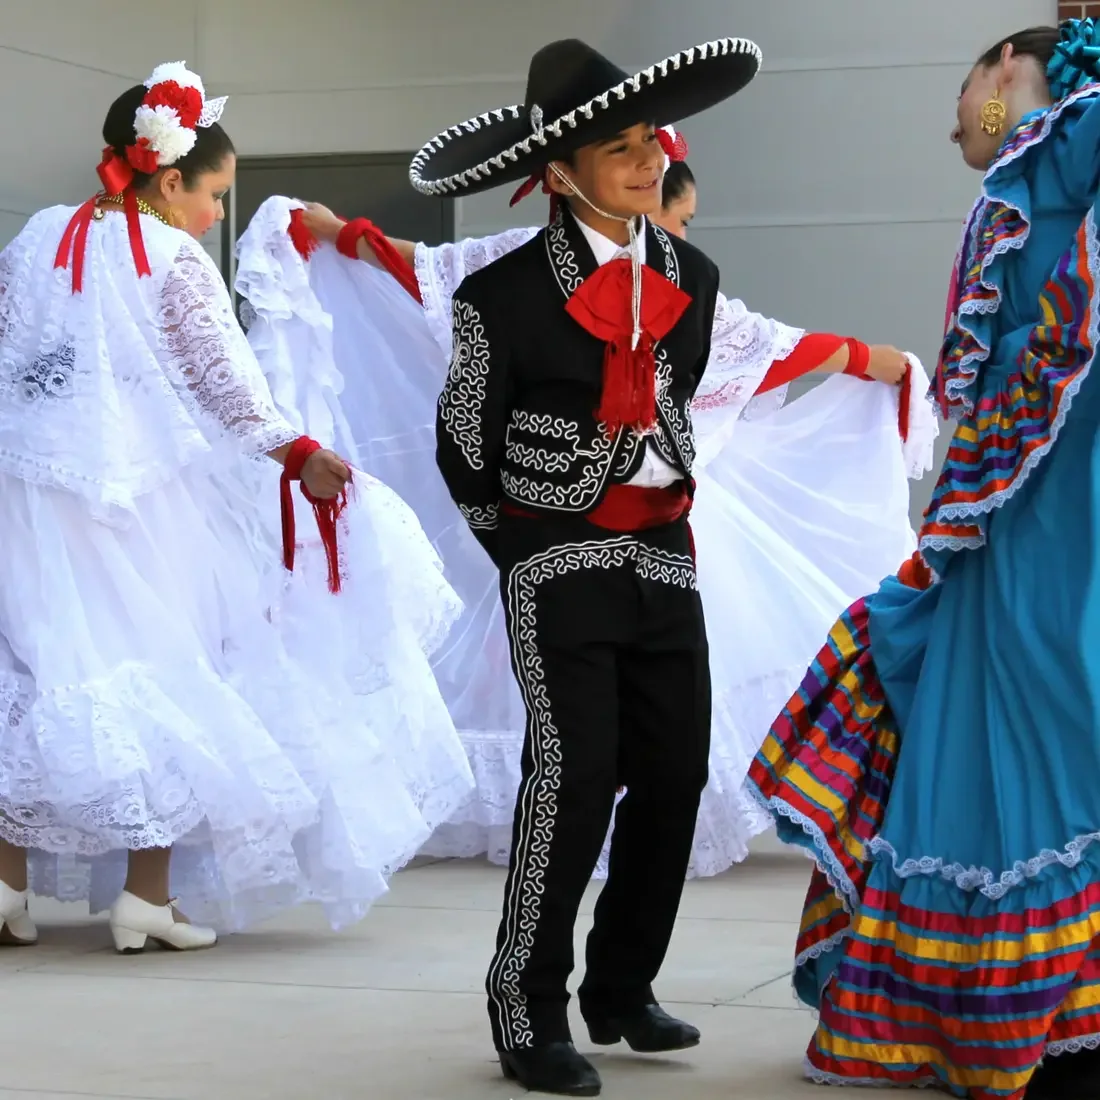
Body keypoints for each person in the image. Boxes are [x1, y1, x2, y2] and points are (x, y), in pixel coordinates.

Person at [296, 131, 931, 881]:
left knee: (662, 717)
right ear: (573, 178)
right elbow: (425, 278)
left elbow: (763, 347)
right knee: (568, 720)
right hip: (551, 532)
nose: (677, 223)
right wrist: (343, 236)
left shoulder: (681, 280)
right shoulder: (514, 271)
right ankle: (544, 934)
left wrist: (865, 360)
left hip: (657, 527)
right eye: (678, 213)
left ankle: (623, 941)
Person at [0, 62, 463, 953]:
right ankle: (144, 896)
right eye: (213, 192)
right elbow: (225, 381)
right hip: (137, 498)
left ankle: (5, 883)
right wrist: (296, 452)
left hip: (27, 489)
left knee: (37, 667)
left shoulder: (39, 236)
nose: (216, 213)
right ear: (168, 179)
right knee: (165, 660)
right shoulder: (171, 256)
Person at [747, 19, 1100, 1100]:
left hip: (1042, 526)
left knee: (1040, 730)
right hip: (1013, 525)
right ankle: (1042, 1013)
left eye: (957, 88)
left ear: (1003, 68)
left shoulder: (1054, 154)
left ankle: (1037, 1016)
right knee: (1012, 739)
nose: (948, 115)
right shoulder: (1032, 178)